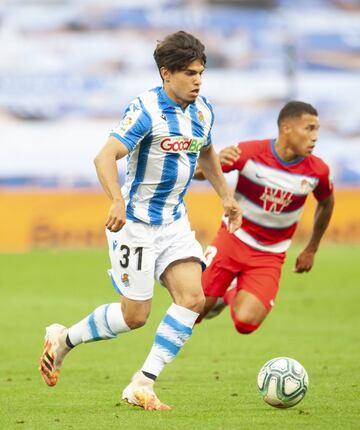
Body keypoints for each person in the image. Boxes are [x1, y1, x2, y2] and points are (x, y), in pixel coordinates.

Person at [38, 31, 242, 411]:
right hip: (134, 223)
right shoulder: (146, 109)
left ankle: (142, 382)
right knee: (135, 317)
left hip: (174, 222)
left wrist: (226, 197)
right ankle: (63, 339)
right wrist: (116, 199)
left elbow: (208, 151)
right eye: (190, 73)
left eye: (201, 73)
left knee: (193, 298)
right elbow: (104, 157)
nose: (198, 80)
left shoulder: (203, 111)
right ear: (167, 74)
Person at [194, 101, 334, 334]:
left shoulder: (317, 171)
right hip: (233, 239)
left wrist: (311, 248)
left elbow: (327, 203)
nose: (315, 136)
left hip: (270, 254)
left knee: (246, 323)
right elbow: (201, 173)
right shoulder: (249, 153)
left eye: (317, 129)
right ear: (286, 128)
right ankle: (217, 291)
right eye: (309, 128)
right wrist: (216, 160)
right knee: (194, 309)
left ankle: (230, 289)